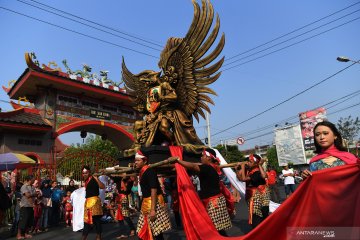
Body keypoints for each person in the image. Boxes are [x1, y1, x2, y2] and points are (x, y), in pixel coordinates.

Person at [175, 148, 232, 236]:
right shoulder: (212, 167)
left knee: (215, 230)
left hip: (214, 203)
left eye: (203, 156)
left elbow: (194, 166)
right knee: (217, 229)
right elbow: (196, 164)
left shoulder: (207, 168)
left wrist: (178, 160)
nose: (201, 157)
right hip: (214, 200)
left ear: (209, 158)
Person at [134, 150, 171, 240]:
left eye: (138, 160)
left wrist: (153, 210)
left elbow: (153, 190)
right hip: (146, 203)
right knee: (151, 230)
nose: (136, 162)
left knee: (156, 231)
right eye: (135, 160)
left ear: (145, 161)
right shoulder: (142, 171)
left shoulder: (149, 171)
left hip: (154, 204)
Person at [236, 154, 269, 229]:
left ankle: (261, 229)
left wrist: (243, 166)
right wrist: (237, 170)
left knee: (261, 213)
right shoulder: (248, 170)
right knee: (256, 214)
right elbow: (240, 178)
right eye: (248, 161)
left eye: (250, 161)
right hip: (250, 194)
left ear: (255, 163)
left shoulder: (256, 172)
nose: (248, 163)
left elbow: (244, 179)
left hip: (258, 194)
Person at [82, 166, 105, 240]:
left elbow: (102, 187)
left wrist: (96, 178)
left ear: (89, 172)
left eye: (86, 173)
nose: (84, 174)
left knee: (96, 219)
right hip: (88, 202)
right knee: (86, 220)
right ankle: (84, 237)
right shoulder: (86, 181)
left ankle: (99, 236)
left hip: (95, 202)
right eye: (83, 173)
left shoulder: (94, 178)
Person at [17, 175, 36, 239]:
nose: (34, 180)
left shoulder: (33, 186)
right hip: (25, 205)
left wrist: (33, 195)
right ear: (30, 179)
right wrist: (33, 195)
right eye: (33, 179)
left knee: (29, 221)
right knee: (23, 221)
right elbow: (27, 196)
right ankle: (19, 234)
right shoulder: (24, 186)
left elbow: (34, 194)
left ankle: (25, 234)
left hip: (31, 206)